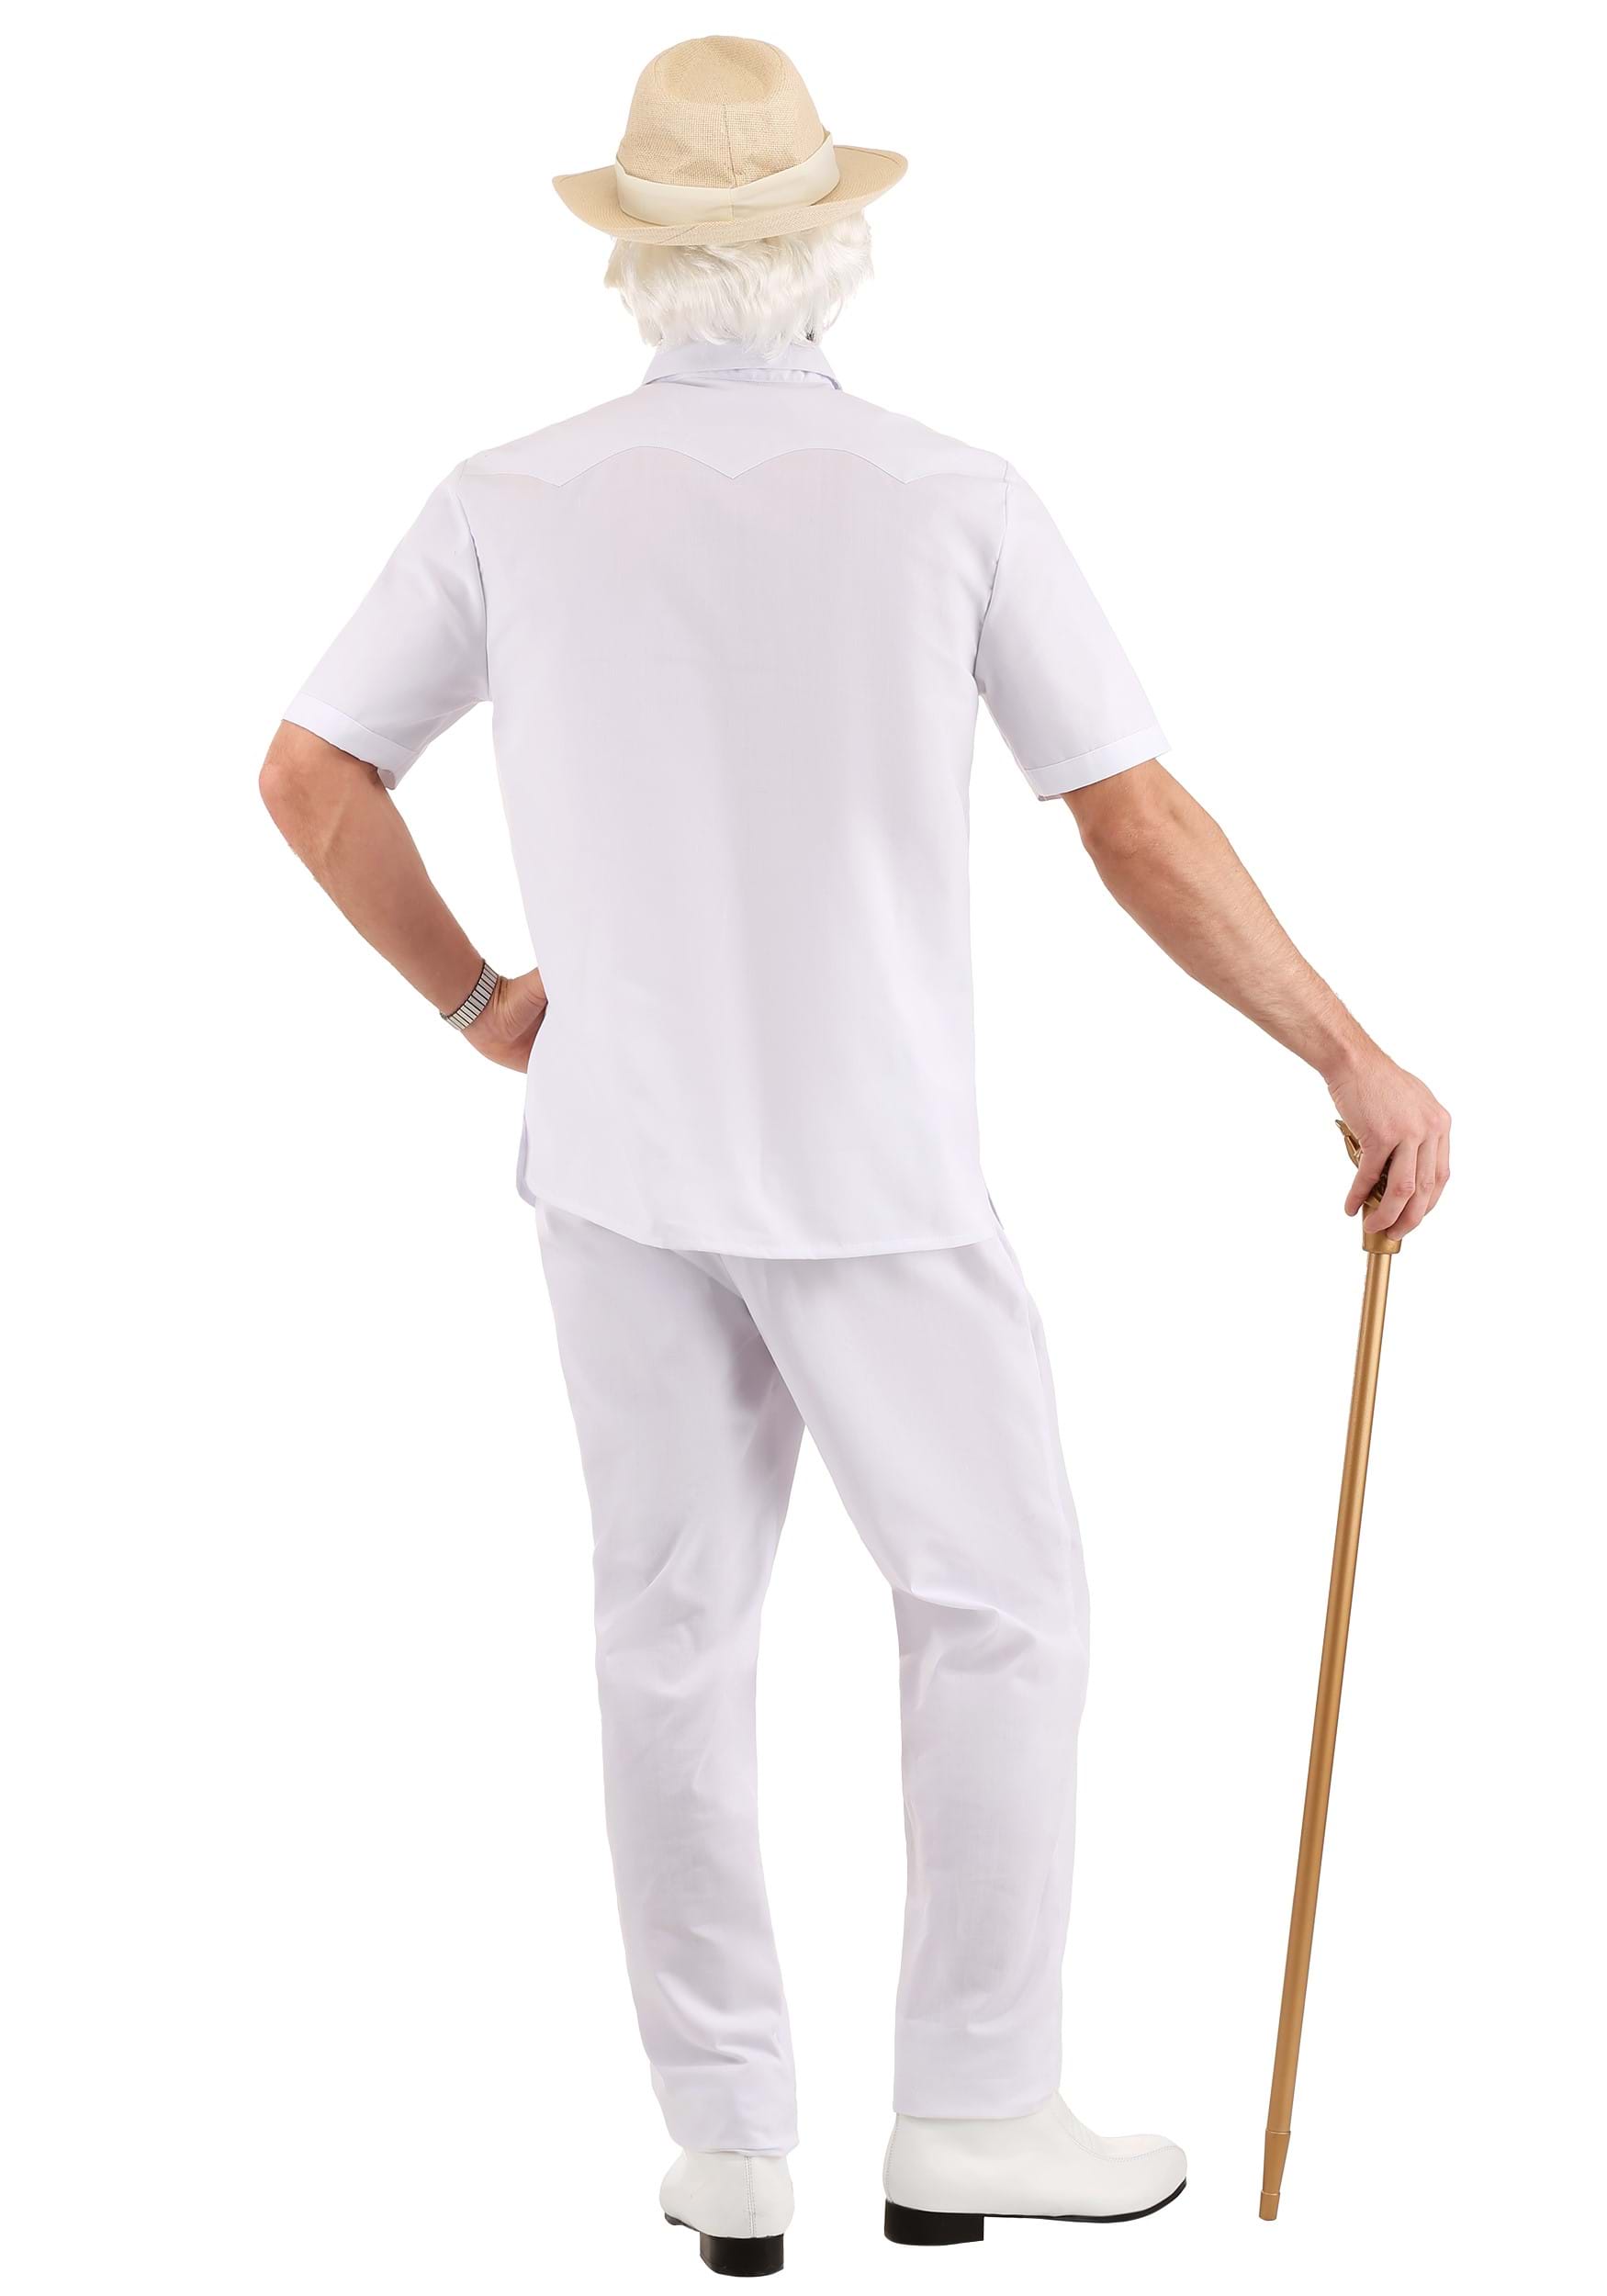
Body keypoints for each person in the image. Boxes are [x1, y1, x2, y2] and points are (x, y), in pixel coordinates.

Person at [260, 36, 1450, 2278]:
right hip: (873, 1163)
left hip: (613, 1158)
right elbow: (1133, 821)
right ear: (834, 246)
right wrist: (1347, 1052)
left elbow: (310, 775)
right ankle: (972, 2101)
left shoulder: (508, 494)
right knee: (997, 1604)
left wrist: (482, 1003)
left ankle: (725, 2141)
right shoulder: (944, 494)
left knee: (667, 1627)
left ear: (630, 260)